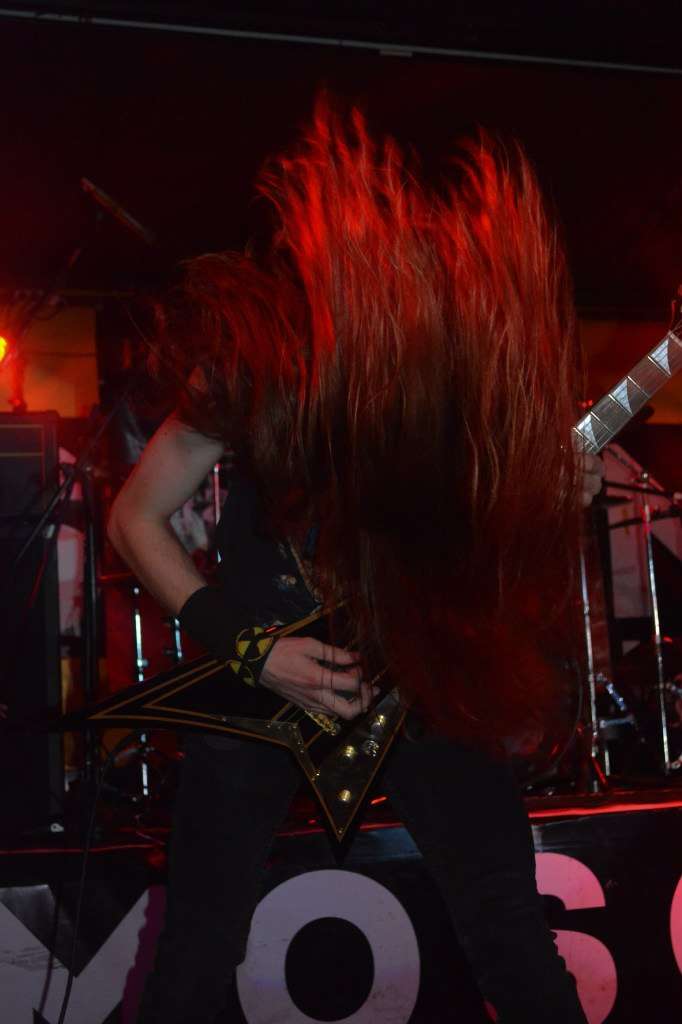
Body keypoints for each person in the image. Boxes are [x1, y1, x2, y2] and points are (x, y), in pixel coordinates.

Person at [108, 99, 604, 1023]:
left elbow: (486, 544)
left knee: (510, 936)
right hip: (267, 673)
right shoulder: (255, 359)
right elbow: (134, 517)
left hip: (422, 670)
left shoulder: (448, 382)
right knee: (195, 958)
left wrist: (554, 499)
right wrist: (251, 650)